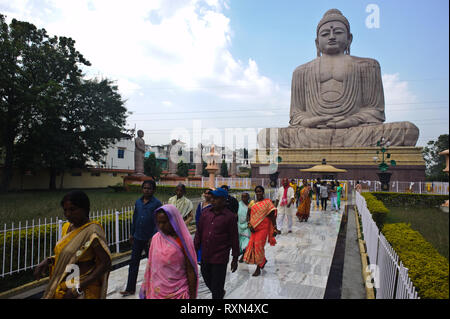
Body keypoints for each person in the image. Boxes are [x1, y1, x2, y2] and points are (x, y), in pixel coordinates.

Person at [34, 190, 111, 299]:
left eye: (72, 209)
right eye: (65, 210)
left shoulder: (92, 232)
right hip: (64, 284)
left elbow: (105, 263)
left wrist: (78, 288)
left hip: (84, 289)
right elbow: (72, 255)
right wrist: (49, 260)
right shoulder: (67, 228)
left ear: (85, 209)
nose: (68, 214)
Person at [139, 205, 198, 299]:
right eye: (158, 222)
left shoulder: (184, 241)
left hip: (178, 293)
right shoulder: (155, 239)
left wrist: (192, 296)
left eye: (164, 222)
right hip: (157, 292)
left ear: (173, 221)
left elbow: (190, 270)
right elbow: (151, 266)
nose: (161, 226)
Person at [194, 187, 239, 299]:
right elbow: (199, 233)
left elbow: (234, 238)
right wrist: (193, 250)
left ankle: (218, 294)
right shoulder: (205, 213)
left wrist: (235, 259)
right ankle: (218, 292)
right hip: (205, 255)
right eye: (212, 198)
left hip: (220, 257)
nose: (212, 200)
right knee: (206, 278)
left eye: (216, 198)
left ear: (224, 201)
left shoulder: (230, 217)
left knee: (217, 286)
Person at [121, 180, 162, 297]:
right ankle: (130, 288)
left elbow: (158, 222)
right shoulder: (138, 202)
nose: (146, 190)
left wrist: (153, 237)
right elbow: (134, 218)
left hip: (150, 239)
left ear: (153, 190)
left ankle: (155, 288)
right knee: (133, 263)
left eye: (149, 188)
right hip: (137, 237)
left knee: (153, 264)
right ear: (142, 189)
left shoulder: (157, 204)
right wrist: (131, 233)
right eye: (144, 188)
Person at [243, 185, 277, 277]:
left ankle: (258, 268)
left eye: (260, 191)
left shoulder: (267, 203)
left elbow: (272, 215)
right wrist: (249, 225)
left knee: (259, 247)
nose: (258, 193)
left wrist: (275, 227)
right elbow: (248, 215)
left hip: (263, 228)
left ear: (263, 192)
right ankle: (263, 260)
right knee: (253, 246)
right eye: (257, 191)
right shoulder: (252, 203)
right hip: (253, 229)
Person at [195, 188, 213, 263]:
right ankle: (198, 258)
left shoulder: (212, 206)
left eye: (208, 193)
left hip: (208, 229)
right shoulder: (201, 204)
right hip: (199, 228)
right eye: (205, 193)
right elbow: (197, 216)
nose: (206, 195)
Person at [237, 192, 251, 263]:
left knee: (247, 242)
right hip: (239, 226)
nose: (243, 198)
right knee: (241, 243)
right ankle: (243, 255)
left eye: (245, 197)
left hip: (248, 226)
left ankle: (243, 257)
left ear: (248, 197)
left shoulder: (251, 205)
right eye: (242, 197)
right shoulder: (239, 205)